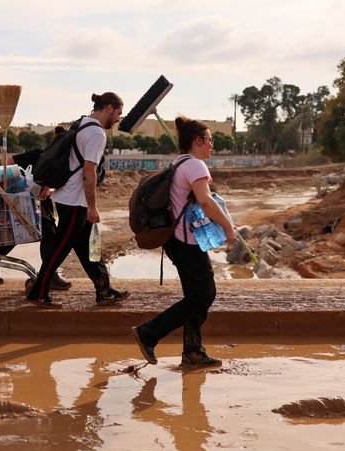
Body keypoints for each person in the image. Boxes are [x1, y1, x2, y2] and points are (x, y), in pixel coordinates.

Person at [132, 117, 236, 367]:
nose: (212, 145)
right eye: (210, 140)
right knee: (204, 295)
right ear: (198, 141)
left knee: (195, 296)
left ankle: (193, 351)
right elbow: (206, 201)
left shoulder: (179, 162)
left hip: (176, 240)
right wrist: (228, 226)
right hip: (187, 242)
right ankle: (149, 332)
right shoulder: (196, 166)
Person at [26, 92, 129, 308]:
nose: (119, 118)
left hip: (66, 195)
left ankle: (104, 289)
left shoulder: (81, 122)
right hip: (75, 200)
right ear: (109, 108)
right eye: (118, 113)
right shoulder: (97, 134)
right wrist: (92, 207)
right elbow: (89, 172)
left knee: (87, 249)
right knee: (60, 248)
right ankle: (38, 292)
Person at [0, 126, 71, 290]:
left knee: (16, 235)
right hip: (25, 202)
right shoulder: (38, 154)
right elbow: (10, 163)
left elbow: (58, 186)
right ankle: (51, 276)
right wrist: (24, 185)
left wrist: (47, 189)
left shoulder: (60, 162)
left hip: (40, 204)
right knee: (49, 235)